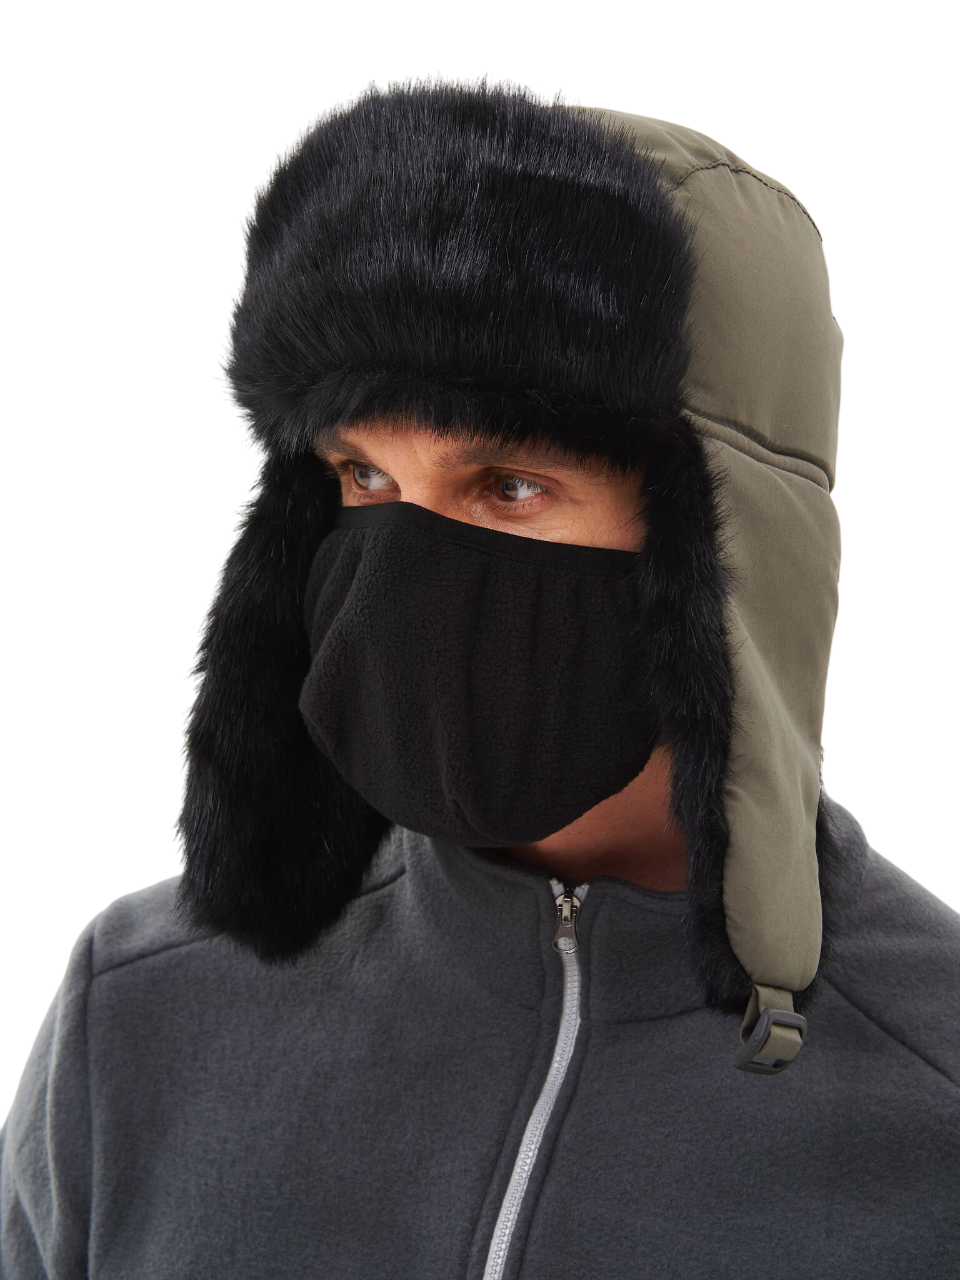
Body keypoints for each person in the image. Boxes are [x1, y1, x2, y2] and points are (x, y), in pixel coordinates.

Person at [2, 76, 958, 1278]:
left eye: (507, 485)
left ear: (723, 549)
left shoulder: (933, 1095)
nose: (403, 575)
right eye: (363, 476)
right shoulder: (142, 1014)